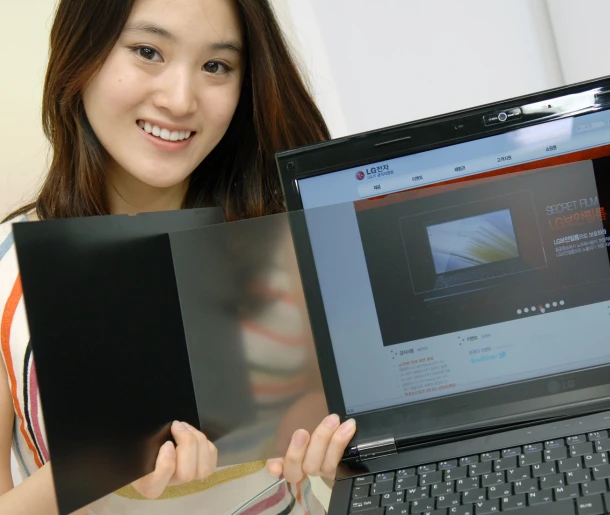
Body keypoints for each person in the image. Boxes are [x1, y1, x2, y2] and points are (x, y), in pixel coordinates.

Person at [0, 0, 355, 513]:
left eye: (216, 66)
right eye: (147, 51)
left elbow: (360, 446)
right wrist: (100, 461)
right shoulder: (8, 272)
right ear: (81, 52)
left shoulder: (287, 238)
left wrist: (339, 455)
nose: (180, 99)